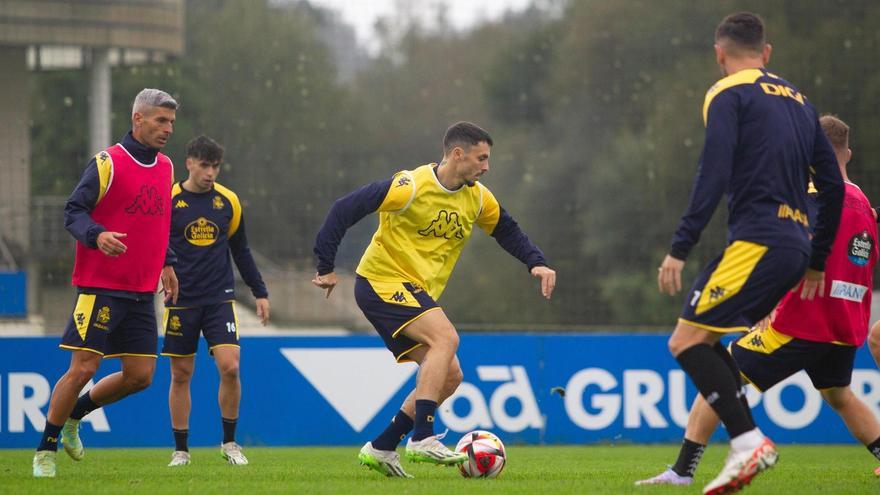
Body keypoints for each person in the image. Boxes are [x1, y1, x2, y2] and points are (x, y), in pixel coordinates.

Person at [656, 13, 844, 495]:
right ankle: (743, 445)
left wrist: (681, 245)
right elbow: (833, 186)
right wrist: (818, 258)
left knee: (686, 342)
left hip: (758, 240)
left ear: (720, 54)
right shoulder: (802, 102)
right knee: (710, 341)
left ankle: (747, 442)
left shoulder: (727, 92)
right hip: (796, 246)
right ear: (767, 52)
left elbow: (713, 171)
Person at [642, 115, 880, 486]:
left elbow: (797, 248)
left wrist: (767, 298)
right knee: (839, 395)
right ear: (848, 152)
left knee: (723, 373)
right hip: (845, 321)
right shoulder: (864, 204)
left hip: (803, 318)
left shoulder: (813, 195)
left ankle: (682, 471)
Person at [312, 121, 556, 478]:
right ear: (457, 154)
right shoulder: (410, 186)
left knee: (451, 376)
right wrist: (326, 265)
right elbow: (344, 208)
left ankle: (382, 446)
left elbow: (506, 229)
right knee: (446, 338)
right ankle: (422, 437)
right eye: (481, 158)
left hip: (414, 292)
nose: (486, 166)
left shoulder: (477, 197)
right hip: (381, 281)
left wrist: (536, 262)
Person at [33, 89, 180, 478]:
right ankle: (44, 450)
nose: (167, 129)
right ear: (137, 119)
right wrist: (96, 235)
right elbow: (73, 210)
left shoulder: (166, 167)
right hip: (100, 286)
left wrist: (168, 263)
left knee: (140, 376)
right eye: (160, 121)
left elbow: (161, 224)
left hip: (142, 289)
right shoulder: (107, 162)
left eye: (171, 123)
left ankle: (74, 416)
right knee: (83, 368)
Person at [162, 135, 270, 467]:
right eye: (205, 165)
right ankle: (181, 449)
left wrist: (259, 291)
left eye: (216, 166)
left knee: (231, 367)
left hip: (219, 298)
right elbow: (155, 245)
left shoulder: (228, 202)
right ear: (189, 163)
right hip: (181, 300)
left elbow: (242, 251)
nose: (211, 173)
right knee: (181, 374)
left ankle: (230, 443)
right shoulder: (169, 199)